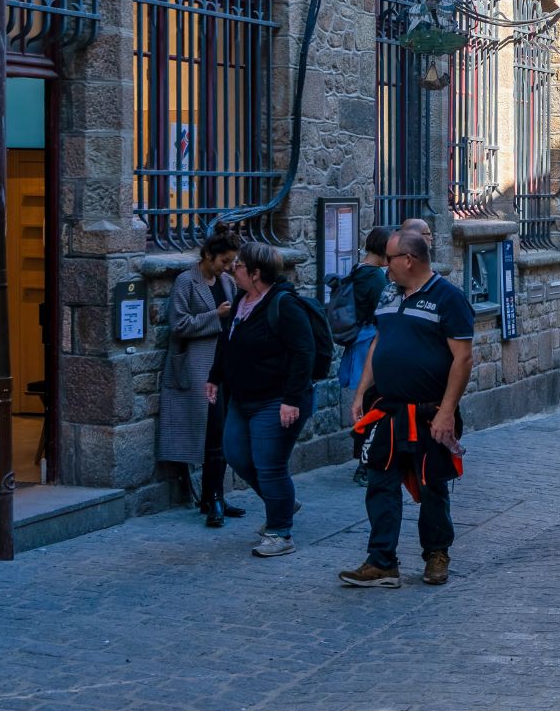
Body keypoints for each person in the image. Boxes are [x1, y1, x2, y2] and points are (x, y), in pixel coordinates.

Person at [339, 227, 475, 590]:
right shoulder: (388, 293)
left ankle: (436, 554)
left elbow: (463, 359)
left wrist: (447, 412)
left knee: (432, 485)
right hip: (388, 410)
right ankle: (382, 561)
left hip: (430, 412)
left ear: (409, 260)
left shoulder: (449, 298)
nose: (385, 266)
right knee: (380, 483)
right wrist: (361, 392)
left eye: (390, 259)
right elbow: (379, 342)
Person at [206, 239, 316, 558]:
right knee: (237, 454)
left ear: (255, 273)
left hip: (277, 399)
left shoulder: (284, 304)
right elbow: (229, 344)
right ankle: (281, 500)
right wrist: (215, 377)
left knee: (270, 465)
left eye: (238, 265)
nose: (232, 269)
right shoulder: (241, 299)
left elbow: (303, 353)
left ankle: (280, 532)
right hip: (243, 399)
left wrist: (292, 399)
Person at [157, 223, 244, 526]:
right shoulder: (186, 282)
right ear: (208, 255)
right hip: (197, 368)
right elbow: (178, 324)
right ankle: (214, 500)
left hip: (224, 368)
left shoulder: (229, 284)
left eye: (232, 262)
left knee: (222, 432)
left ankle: (213, 495)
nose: (229, 267)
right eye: (224, 261)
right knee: (211, 433)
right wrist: (215, 316)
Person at [338, 226, 391, 484]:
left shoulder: (358, 270)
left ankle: (362, 454)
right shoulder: (377, 279)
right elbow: (385, 313)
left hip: (357, 342)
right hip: (370, 342)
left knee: (366, 400)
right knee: (372, 403)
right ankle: (363, 463)